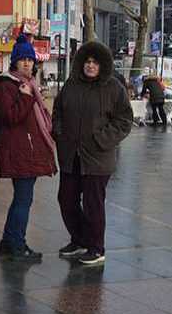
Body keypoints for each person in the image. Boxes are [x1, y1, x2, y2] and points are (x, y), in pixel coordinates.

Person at [52, 42, 134, 265]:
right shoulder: (71, 85)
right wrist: (59, 133)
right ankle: (79, 240)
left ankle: (96, 247)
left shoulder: (113, 88)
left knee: (93, 204)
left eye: (95, 62)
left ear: (102, 65)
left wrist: (102, 139)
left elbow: (124, 120)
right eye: (87, 61)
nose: (90, 65)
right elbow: (58, 111)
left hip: (98, 157)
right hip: (71, 155)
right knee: (66, 199)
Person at [0, 35, 57, 261]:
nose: (27, 64)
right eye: (22, 60)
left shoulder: (27, 84)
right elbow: (11, 117)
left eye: (30, 60)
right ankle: (18, 246)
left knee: (21, 199)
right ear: (14, 62)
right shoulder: (8, 86)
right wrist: (26, 97)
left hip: (26, 150)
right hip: (19, 151)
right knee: (23, 200)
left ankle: (8, 242)